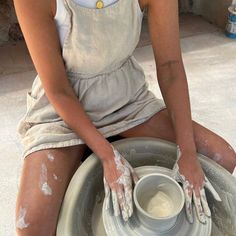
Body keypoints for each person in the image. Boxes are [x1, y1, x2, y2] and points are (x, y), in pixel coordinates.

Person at [13, 0, 236, 235]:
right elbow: (57, 88)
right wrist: (108, 155)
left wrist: (187, 151)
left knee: (220, 159)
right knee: (32, 225)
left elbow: (170, 65)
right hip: (63, 106)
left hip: (125, 97)